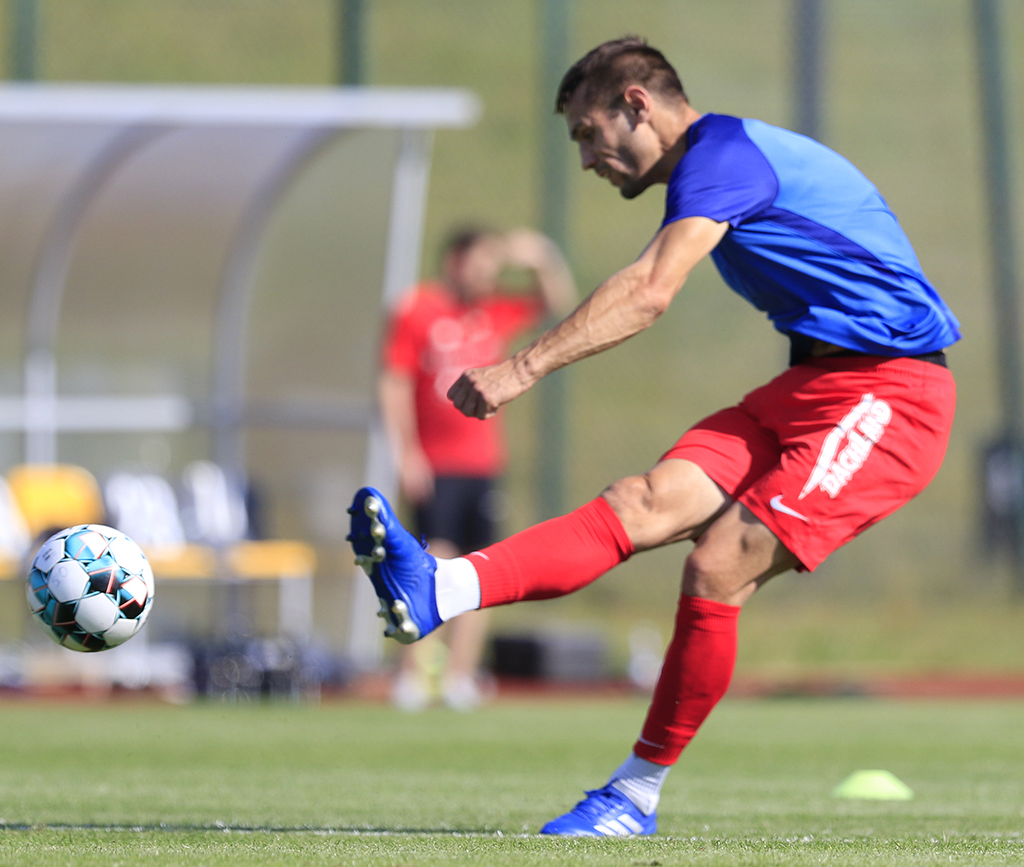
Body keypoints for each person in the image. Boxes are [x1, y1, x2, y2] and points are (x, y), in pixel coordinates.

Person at [350, 36, 959, 835]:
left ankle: (635, 795)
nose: (585, 159)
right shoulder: (718, 165)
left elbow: (648, 291)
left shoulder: (724, 158)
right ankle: (442, 588)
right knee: (639, 501)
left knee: (717, 563)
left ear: (635, 104)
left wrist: (521, 368)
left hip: (892, 395)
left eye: (587, 132)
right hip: (813, 388)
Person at [377, 227, 575, 711]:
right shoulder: (419, 309)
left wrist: (542, 258)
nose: (487, 272)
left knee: (478, 567)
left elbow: (558, 306)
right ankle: (413, 675)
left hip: (482, 464)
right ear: (455, 261)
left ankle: (460, 676)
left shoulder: (492, 311)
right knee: (430, 563)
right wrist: (406, 452)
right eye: (479, 262)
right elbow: (394, 381)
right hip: (436, 463)